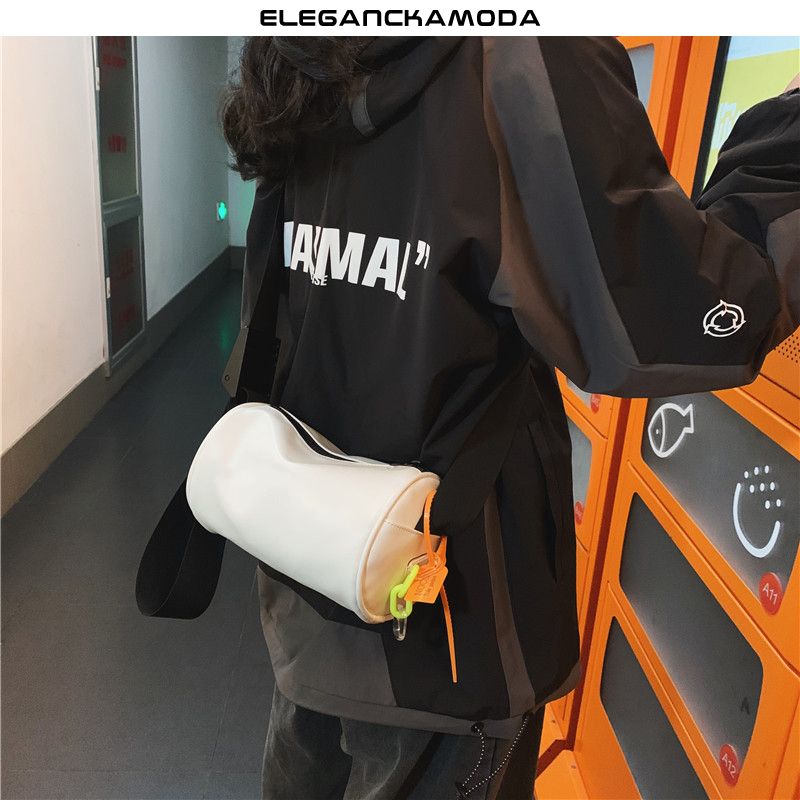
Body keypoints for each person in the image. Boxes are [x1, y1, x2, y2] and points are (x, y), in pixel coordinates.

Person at [220, 37, 799, 799]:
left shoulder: (302, 52)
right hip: (449, 624)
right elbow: (685, 318)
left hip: (314, 580)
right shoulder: (522, 52)